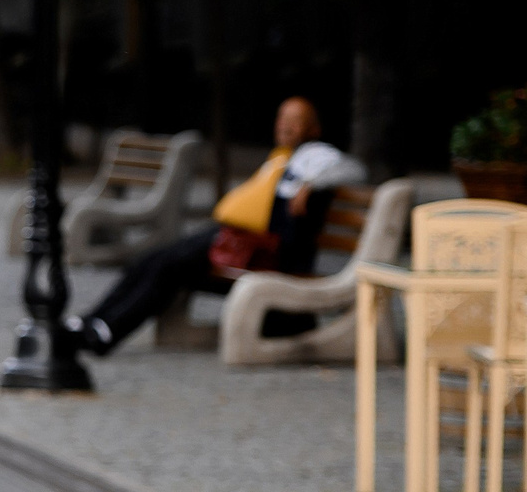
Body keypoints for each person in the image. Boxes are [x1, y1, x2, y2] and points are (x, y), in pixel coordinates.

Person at [67, 96, 362, 355]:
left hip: (260, 251)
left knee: (168, 267)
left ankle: (106, 331)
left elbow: (354, 169)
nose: (285, 125)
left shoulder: (315, 154)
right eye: (283, 118)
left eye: (296, 121)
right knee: (152, 259)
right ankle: (94, 319)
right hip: (235, 238)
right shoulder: (281, 157)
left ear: (313, 129)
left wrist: (312, 184)